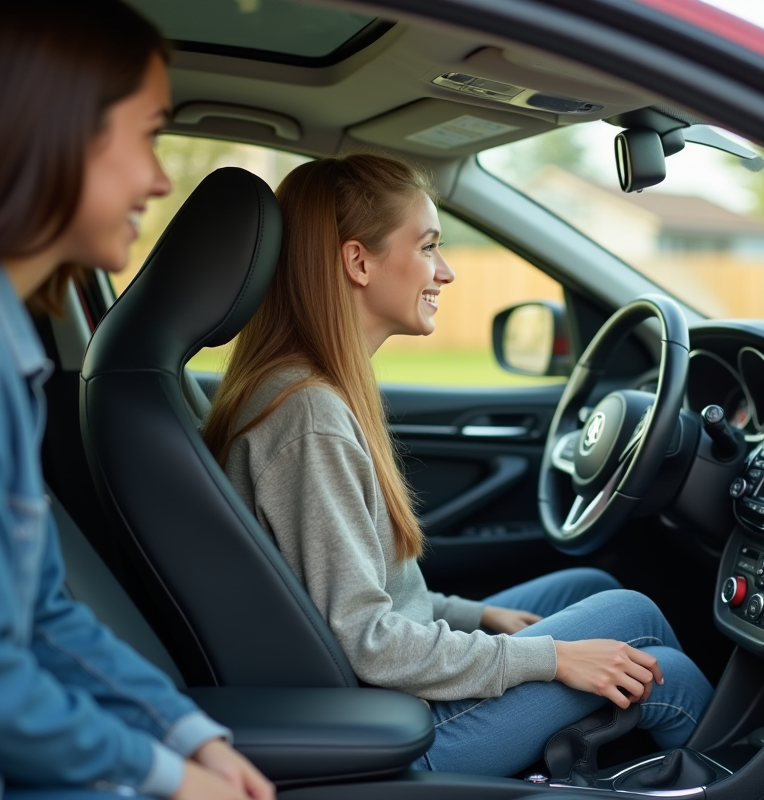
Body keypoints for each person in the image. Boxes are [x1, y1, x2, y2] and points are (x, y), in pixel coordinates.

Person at [201, 153, 713, 776]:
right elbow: (368, 640)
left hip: (390, 691)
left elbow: (368, 594)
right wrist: (549, 659)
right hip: (405, 734)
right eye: (428, 246)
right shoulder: (309, 418)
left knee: (593, 591)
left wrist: (478, 618)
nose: (444, 272)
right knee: (646, 639)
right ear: (358, 261)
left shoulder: (305, 390)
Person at [0, 3, 276, 799]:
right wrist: (163, 776)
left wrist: (187, 734)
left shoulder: (16, 362)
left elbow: (44, 613)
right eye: (148, 132)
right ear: (58, 130)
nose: (159, 177)